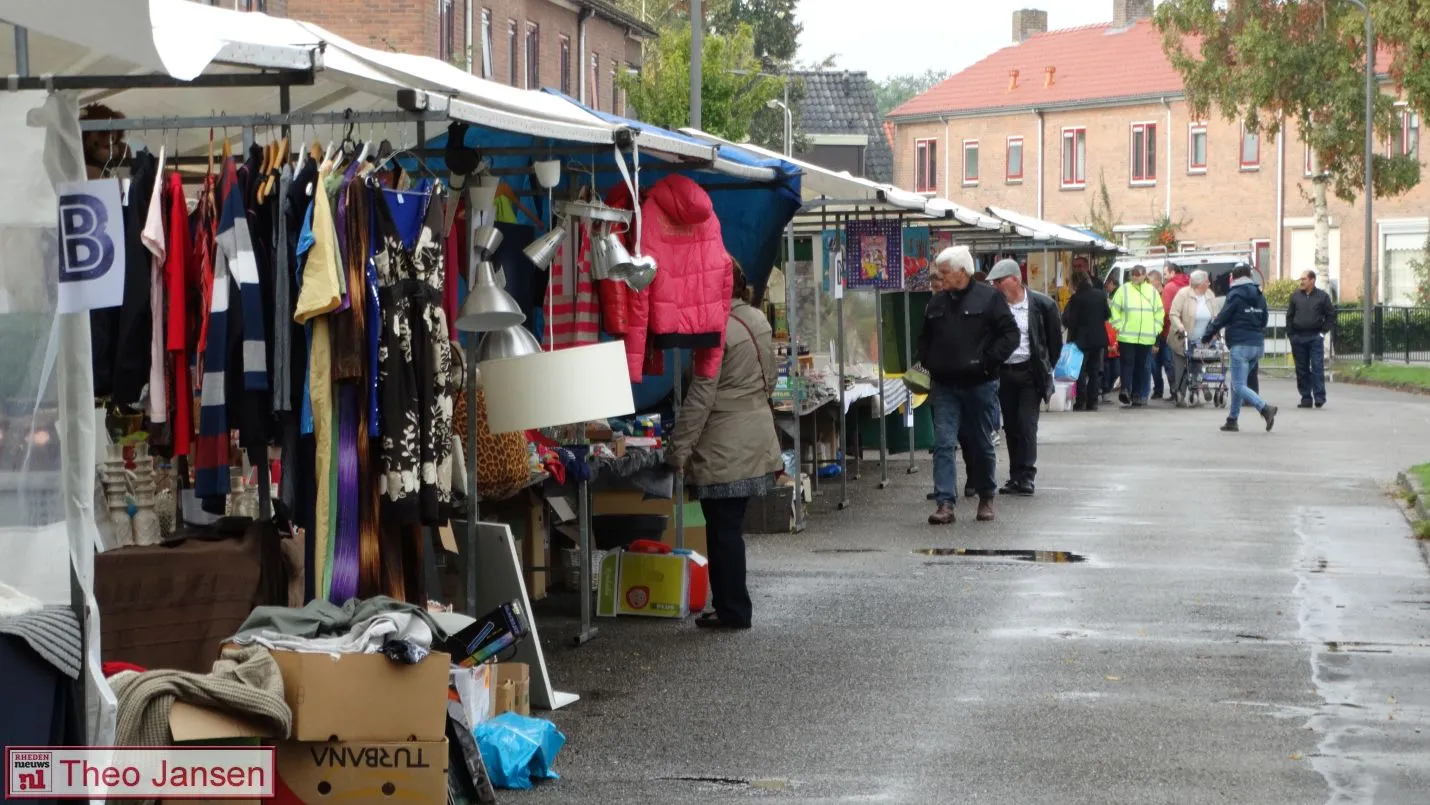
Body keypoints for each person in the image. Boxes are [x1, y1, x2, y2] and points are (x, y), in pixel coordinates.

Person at [666, 260, 783, 630]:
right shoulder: (757, 319)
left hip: (724, 444)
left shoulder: (714, 330)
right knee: (730, 526)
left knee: (723, 530)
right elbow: (772, 377)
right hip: (755, 437)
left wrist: (677, 450)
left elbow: (700, 395)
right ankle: (731, 605)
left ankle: (733, 610)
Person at [918, 246, 1019, 525]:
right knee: (943, 443)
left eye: (945, 273)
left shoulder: (989, 298)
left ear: (962, 272)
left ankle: (986, 495)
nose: (940, 278)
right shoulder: (936, 303)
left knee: (980, 442)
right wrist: (928, 361)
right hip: (945, 385)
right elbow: (924, 338)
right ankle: (945, 503)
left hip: (979, 383)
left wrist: (988, 362)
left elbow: (1010, 335)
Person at [988, 259, 1061, 495]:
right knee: (1010, 426)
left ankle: (1027, 475)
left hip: (1030, 372)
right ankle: (1015, 475)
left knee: (1026, 424)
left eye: (1000, 281)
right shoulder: (995, 307)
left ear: (1016, 279)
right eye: (994, 282)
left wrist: (1045, 365)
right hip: (1005, 373)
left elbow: (1054, 342)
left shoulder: (1043, 304)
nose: (996, 285)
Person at [1202, 265, 1278, 432]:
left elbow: (1222, 318)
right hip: (1257, 345)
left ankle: (1265, 408)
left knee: (1237, 385)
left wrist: (1207, 335)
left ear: (1234, 278)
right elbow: (1264, 319)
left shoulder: (1235, 295)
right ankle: (1232, 419)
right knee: (1239, 383)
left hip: (1240, 345)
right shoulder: (1259, 295)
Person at [1109, 265, 1164, 408]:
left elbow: (1159, 312)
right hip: (1127, 336)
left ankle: (1137, 394)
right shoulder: (1124, 290)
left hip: (1146, 337)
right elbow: (1114, 309)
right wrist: (1119, 326)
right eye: (1133, 275)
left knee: (1140, 365)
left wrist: (1156, 329)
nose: (1135, 277)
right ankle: (1125, 390)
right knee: (1127, 363)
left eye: (1138, 275)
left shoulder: (1152, 292)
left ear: (1144, 275)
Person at [1167, 270, 1224, 406]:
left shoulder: (1209, 295)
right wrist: (1180, 327)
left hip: (1203, 340)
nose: (1209, 283)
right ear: (1200, 284)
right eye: (1207, 281)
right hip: (1184, 338)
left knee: (1199, 365)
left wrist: (1216, 330)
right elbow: (1173, 314)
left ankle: (1198, 390)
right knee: (1182, 368)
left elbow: (1216, 316)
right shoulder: (1183, 294)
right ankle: (1180, 395)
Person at [1062, 270, 1111, 411]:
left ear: (1075, 282)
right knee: (1095, 370)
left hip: (1081, 339)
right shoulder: (1101, 295)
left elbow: (1071, 320)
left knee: (1080, 371)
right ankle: (1093, 401)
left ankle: (1081, 400)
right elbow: (1107, 315)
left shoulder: (1077, 298)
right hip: (1099, 338)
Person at [1287, 270, 1335, 408]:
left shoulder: (1322, 297)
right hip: (1298, 338)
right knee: (1301, 369)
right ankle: (1306, 398)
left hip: (1315, 337)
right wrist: (1291, 335)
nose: (1301, 282)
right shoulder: (1295, 296)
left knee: (1317, 367)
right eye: (1300, 279)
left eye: (1304, 279)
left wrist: (1322, 332)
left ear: (1312, 280)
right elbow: (1289, 316)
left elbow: (1330, 315)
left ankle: (1319, 397)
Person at [1156, 264, 1189, 399]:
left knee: (1170, 363)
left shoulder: (1169, 287)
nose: (1164, 277)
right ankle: (1183, 389)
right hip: (1187, 328)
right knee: (1183, 362)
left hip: (1171, 330)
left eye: (1165, 274)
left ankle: (1175, 391)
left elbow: (1166, 311)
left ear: (1172, 272)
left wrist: (1161, 330)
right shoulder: (1188, 285)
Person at [79, 103, 127, 180]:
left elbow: (123, 179)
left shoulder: (122, 150)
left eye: (107, 146)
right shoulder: (78, 150)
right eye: (96, 144)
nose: (102, 151)